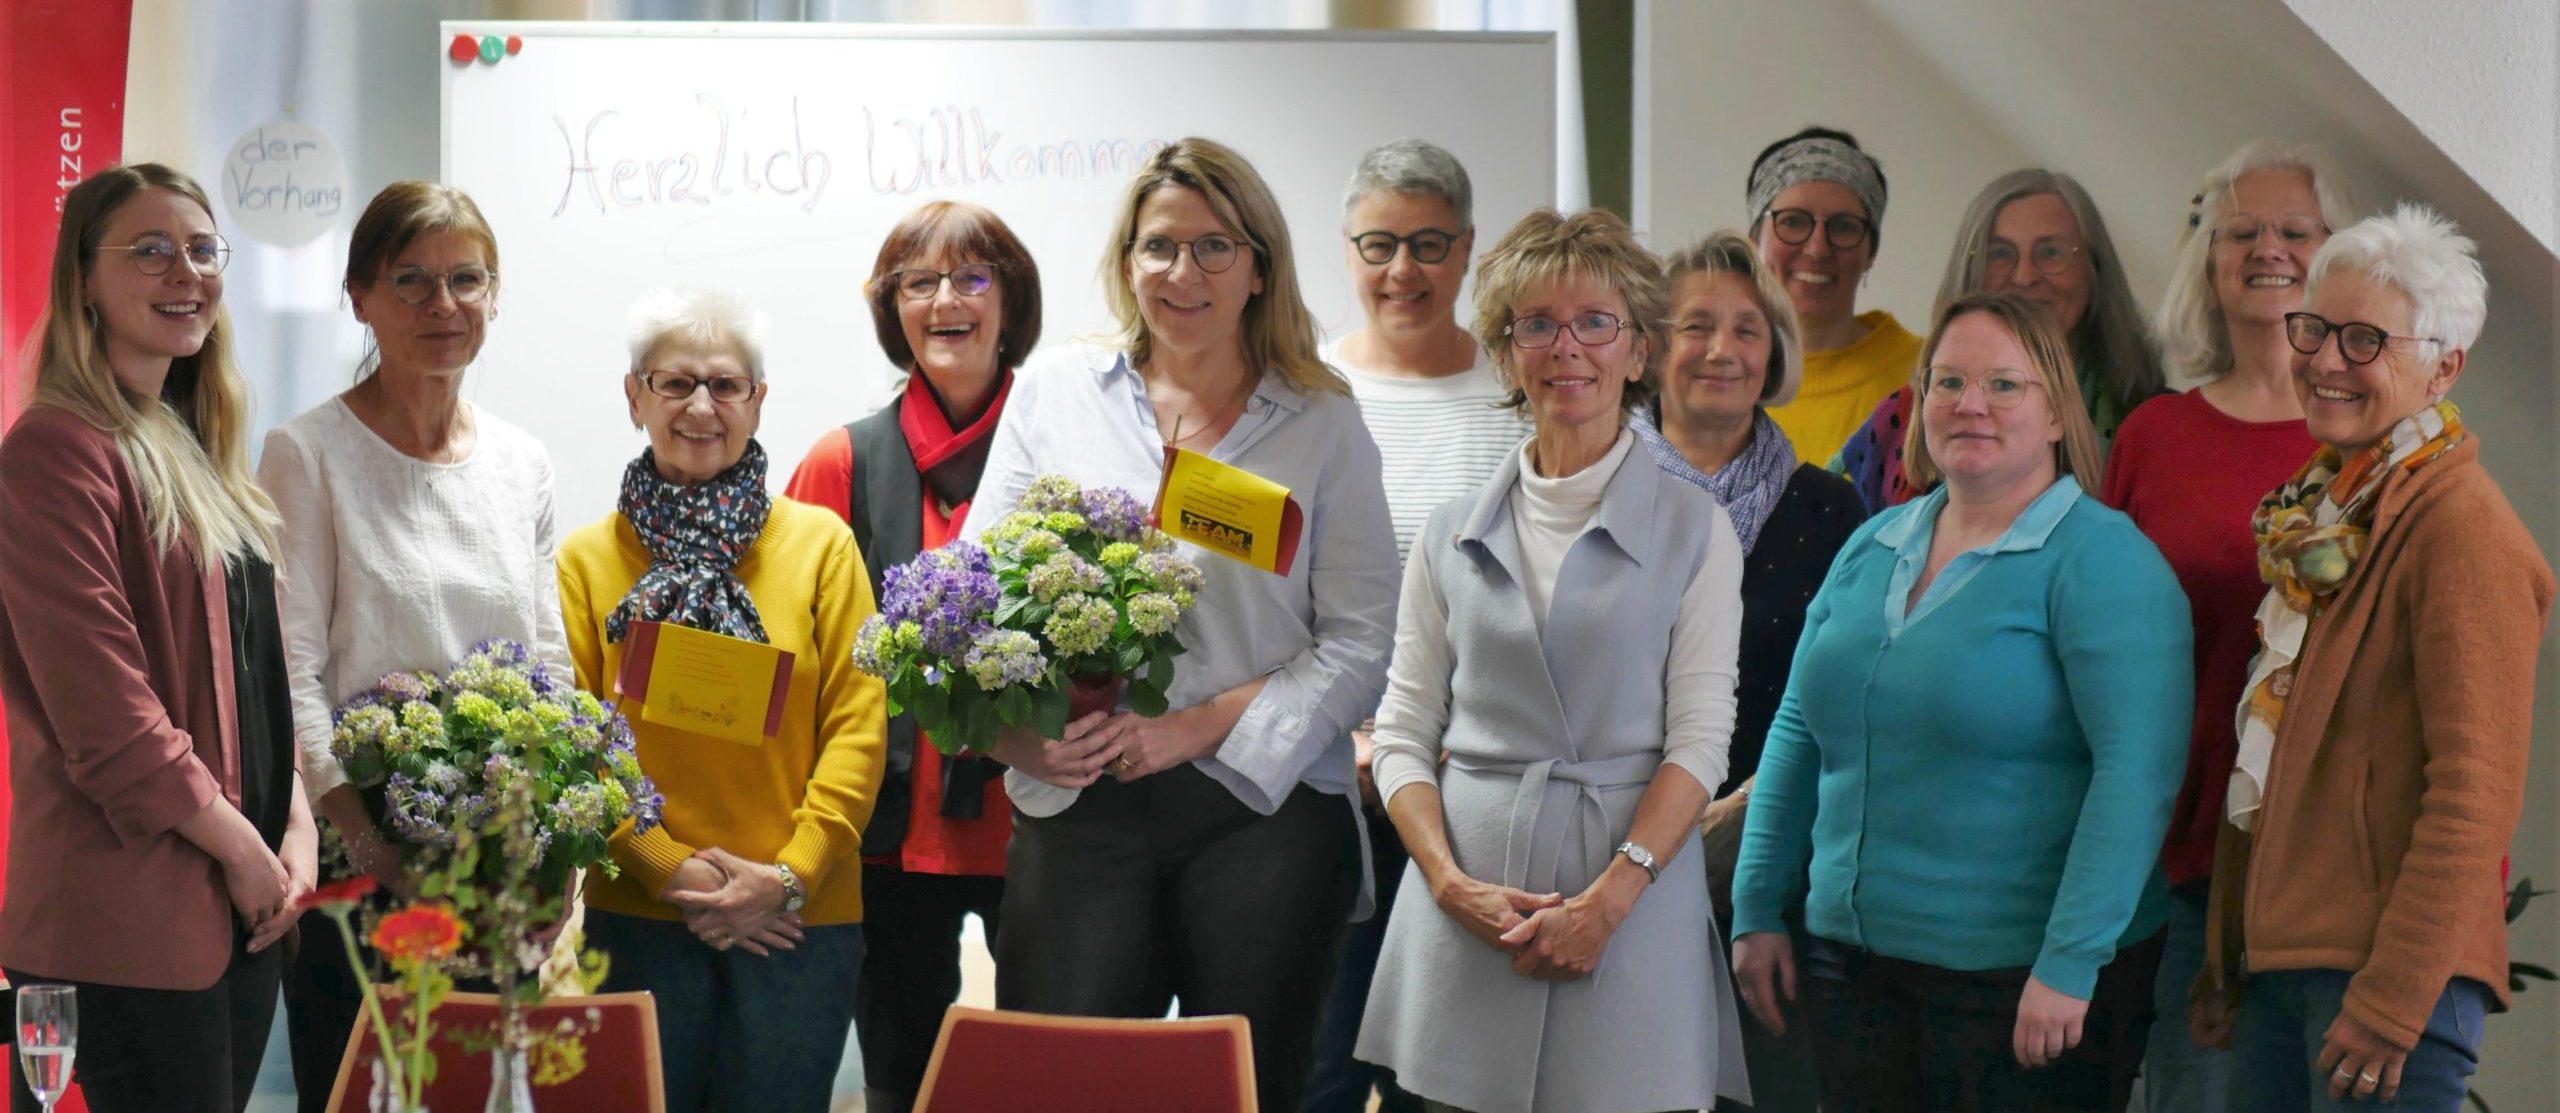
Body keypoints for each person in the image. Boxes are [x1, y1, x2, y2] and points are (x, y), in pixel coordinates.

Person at [959, 137, 1397, 1113]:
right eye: (1159, 247)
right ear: (1126, 262)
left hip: (1261, 810)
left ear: (1257, 269)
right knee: (1058, 1093)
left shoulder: (1321, 422)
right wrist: (1014, 733)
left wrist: (1199, 724)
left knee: (1243, 1093)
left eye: (1212, 248)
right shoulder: (1057, 393)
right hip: (1081, 805)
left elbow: (1364, 637)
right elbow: (975, 590)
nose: (1182, 273)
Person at [1731, 292, 2192, 1112]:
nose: (1970, 404)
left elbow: (2136, 776)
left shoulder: (2105, 560)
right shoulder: (1871, 543)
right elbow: (1798, 729)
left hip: (2024, 983)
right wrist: (1757, 903)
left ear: (2057, 414)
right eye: (1949, 382)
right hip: (1849, 963)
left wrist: (2070, 961)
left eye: (2004, 385)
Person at [1353, 207, 1749, 1113]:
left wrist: (1607, 904)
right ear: (1506, 353)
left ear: (1638, 351)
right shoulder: (1449, 532)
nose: (1567, 347)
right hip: (1465, 922)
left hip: (1631, 914)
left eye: (1596, 322)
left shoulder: (1697, 530)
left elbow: (1700, 742)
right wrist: (1449, 885)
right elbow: (1406, 733)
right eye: (1537, 324)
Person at [2190, 205, 2553, 1113]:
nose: (2324, 360)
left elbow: (2477, 789)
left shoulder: (2461, 529)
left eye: (2365, 340)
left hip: (2383, 981)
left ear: (2444, 367)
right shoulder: (2322, 519)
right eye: (2315, 330)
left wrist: (2395, 998)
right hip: (2290, 962)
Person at [0, 163, 310, 1113]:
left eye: (203, 249)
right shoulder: (54, 452)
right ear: (83, 280)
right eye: (151, 250)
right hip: (123, 925)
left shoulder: (191, 444)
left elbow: (257, 677)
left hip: (240, 909)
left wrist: (291, 820)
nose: (187, 271)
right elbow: (108, 716)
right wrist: (245, 851)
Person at [259, 181, 570, 1112]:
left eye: (466, 279)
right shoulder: (306, 452)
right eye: (412, 281)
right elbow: (291, 674)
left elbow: (548, 667)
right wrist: (369, 842)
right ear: (359, 297)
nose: (444, 305)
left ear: (495, 294)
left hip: (496, 876)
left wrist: (551, 853)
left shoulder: (523, 463)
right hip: (364, 879)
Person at [559, 288, 888, 1112]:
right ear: (635, 397)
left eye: (726, 385)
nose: (701, 406)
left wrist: (790, 874)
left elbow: (859, 722)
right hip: (641, 912)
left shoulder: (821, 546)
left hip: (796, 920)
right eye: (675, 384)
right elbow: (576, 745)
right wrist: (669, 870)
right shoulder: (585, 560)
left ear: (757, 402)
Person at [2099, 139, 2354, 1113]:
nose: (2266, 248)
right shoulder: (2152, 436)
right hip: (2172, 868)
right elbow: (2096, 652)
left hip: (2328, 871)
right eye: (2238, 229)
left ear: (2338, 256)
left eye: (2294, 230)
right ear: (2206, 257)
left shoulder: (2376, 433)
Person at [783, 200, 1038, 1113]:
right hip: (888, 840)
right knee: (903, 1088)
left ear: (1011, 300)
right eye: (919, 282)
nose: (946, 300)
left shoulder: (1062, 446)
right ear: (893, 308)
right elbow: (798, 656)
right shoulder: (840, 460)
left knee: (1049, 1082)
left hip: (1043, 830)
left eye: (973, 277)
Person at [1304, 138, 1527, 1113]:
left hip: (1473, 792)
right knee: (1316, 1066)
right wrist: (1342, 731)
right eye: (1379, 244)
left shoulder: (1519, 398)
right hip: (1320, 785)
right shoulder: (1301, 395)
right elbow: (1271, 595)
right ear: (1346, 251)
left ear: (1470, 247)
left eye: (1429, 244)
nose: (1403, 271)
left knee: (1438, 1077)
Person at [1633, 229, 1867, 1112]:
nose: (1722, 351)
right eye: (1696, 326)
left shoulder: (1829, 506)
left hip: (1768, 861)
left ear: (1775, 352)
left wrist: (1748, 819)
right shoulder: (1591, 485)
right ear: (1649, 345)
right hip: (1606, 850)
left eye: (1748, 328)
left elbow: (1839, 696)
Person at [1840, 168, 2164, 511]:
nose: (2024, 277)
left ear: (2095, 268)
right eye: (1999, 254)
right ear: (1969, 275)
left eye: (2051, 252)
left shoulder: (2153, 422)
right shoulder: (1901, 418)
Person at [1743, 127, 1923, 467]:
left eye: (1843, 227)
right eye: (1793, 222)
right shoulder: (1713, 373)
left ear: (1871, 251)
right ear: (1754, 238)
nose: (1817, 248)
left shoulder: (1928, 372)